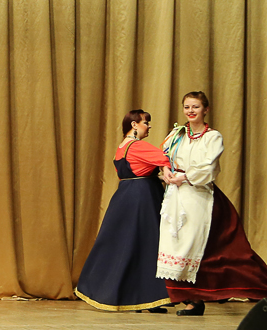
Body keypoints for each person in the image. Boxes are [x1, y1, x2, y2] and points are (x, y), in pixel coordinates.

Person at [157, 91, 267, 315]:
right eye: (187, 107)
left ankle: (255, 287)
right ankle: (192, 299)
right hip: (176, 195)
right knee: (176, 244)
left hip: (198, 195)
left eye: (195, 107)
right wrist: (166, 169)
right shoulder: (177, 134)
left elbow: (208, 167)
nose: (190, 111)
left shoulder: (212, 137)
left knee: (203, 248)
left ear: (205, 110)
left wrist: (185, 176)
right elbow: (164, 156)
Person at [73, 110, 171, 312]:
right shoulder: (137, 146)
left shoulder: (121, 147)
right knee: (149, 245)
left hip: (125, 197)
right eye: (146, 122)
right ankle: (149, 296)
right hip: (143, 199)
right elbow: (167, 158)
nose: (149, 126)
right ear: (134, 125)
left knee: (128, 246)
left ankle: (140, 297)